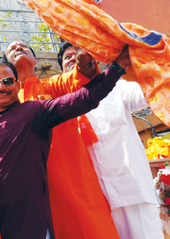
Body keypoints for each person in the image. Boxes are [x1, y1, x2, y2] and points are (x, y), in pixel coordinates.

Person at [0, 42, 119, 239]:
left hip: (67, 180)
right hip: (22, 190)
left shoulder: (54, 84)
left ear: (36, 60)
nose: (17, 47)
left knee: (85, 228)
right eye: (12, 49)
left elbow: (82, 84)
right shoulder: (0, 96)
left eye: (24, 47)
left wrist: (89, 63)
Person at [58, 43, 162, 238]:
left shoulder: (117, 88)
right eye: (68, 57)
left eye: (79, 55)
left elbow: (147, 94)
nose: (74, 59)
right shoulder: (58, 106)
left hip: (132, 193)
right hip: (93, 204)